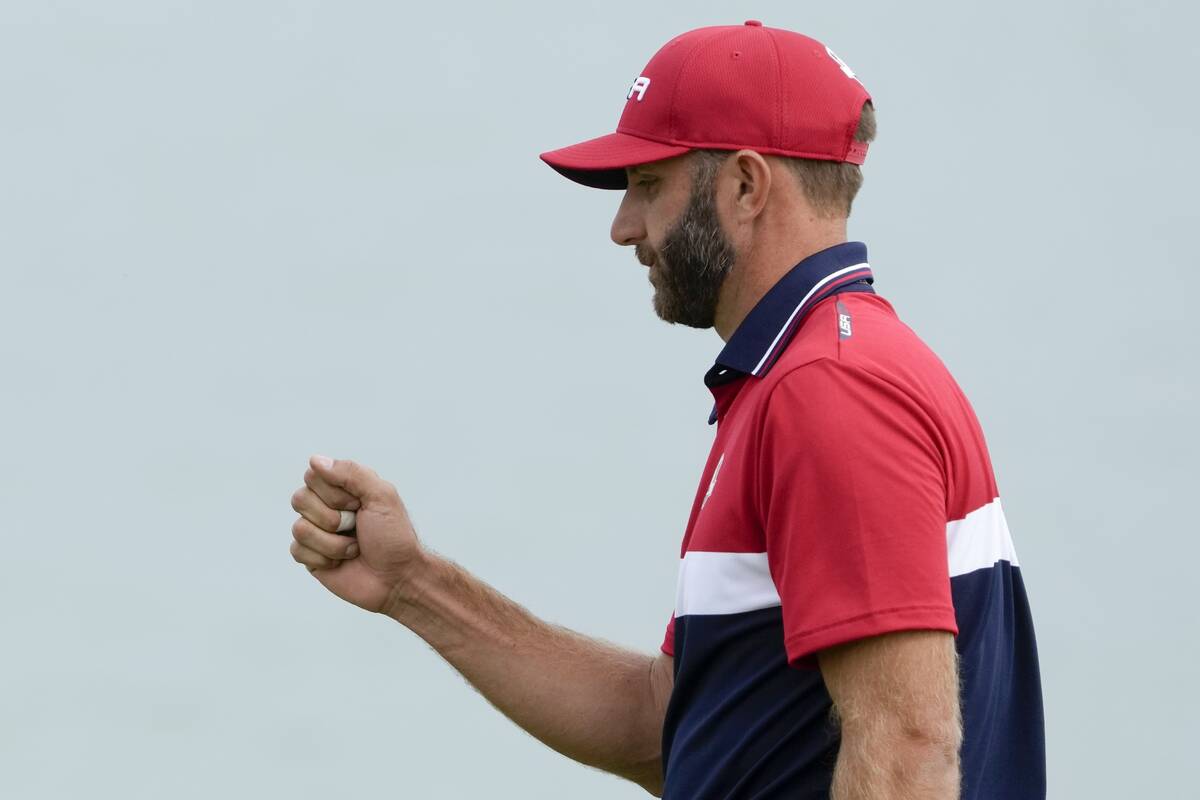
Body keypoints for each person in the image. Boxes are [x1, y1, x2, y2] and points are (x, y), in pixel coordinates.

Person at [288, 21, 1045, 800]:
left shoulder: (829, 391)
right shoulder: (803, 373)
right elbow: (666, 724)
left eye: (648, 184)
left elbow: (907, 753)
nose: (623, 227)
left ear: (746, 187)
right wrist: (414, 585)